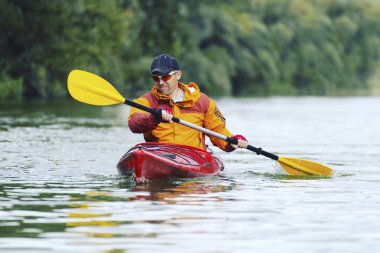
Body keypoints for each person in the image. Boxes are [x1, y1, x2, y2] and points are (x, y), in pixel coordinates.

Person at [128, 54, 248, 152]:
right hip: (159, 155)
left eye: (165, 77)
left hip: (193, 157)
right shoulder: (145, 101)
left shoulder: (202, 101)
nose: (160, 82)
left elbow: (217, 130)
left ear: (178, 75)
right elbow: (134, 123)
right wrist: (154, 117)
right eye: (155, 78)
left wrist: (232, 141)